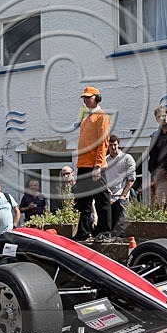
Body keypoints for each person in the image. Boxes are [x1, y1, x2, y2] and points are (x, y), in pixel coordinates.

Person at [73, 86, 111, 240]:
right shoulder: (86, 118)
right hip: (83, 165)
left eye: (89, 97)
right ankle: (82, 232)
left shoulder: (102, 116)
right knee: (83, 201)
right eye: (85, 97)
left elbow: (103, 142)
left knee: (101, 200)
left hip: (94, 166)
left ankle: (104, 232)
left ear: (97, 98)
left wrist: (98, 165)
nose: (86, 100)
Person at [104, 135, 136, 237]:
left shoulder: (127, 158)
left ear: (118, 145)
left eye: (115, 145)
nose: (113, 147)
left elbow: (131, 179)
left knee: (120, 228)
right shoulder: (105, 160)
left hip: (121, 196)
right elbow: (101, 178)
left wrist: (123, 195)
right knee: (109, 226)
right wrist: (106, 189)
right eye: (110, 145)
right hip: (108, 197)